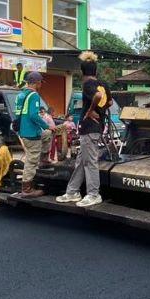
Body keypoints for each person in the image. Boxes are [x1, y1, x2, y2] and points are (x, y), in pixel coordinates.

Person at [56, 52, 111, 208]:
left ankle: (93, 194)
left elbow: (98, 96)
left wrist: (90, 110)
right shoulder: (103, 83)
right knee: (81, 161)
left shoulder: (87, 84)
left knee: (90, 162)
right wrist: (100, 112)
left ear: (82, 72)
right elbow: (110, 102)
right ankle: (72, 191)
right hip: (96, 127)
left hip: (89, 128)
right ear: (95, 70)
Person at [14, 72, 55, 197]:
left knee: (48, 134)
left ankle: (44, 159)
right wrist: (48, 125)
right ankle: (27, 189)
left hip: (24, 131)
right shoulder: (34, 95)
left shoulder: (21, 95)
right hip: (32, 134)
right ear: (37, 82)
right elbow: (33, 115)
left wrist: (46, 129)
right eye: (41, 82)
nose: (41, 85)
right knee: (31, 161)